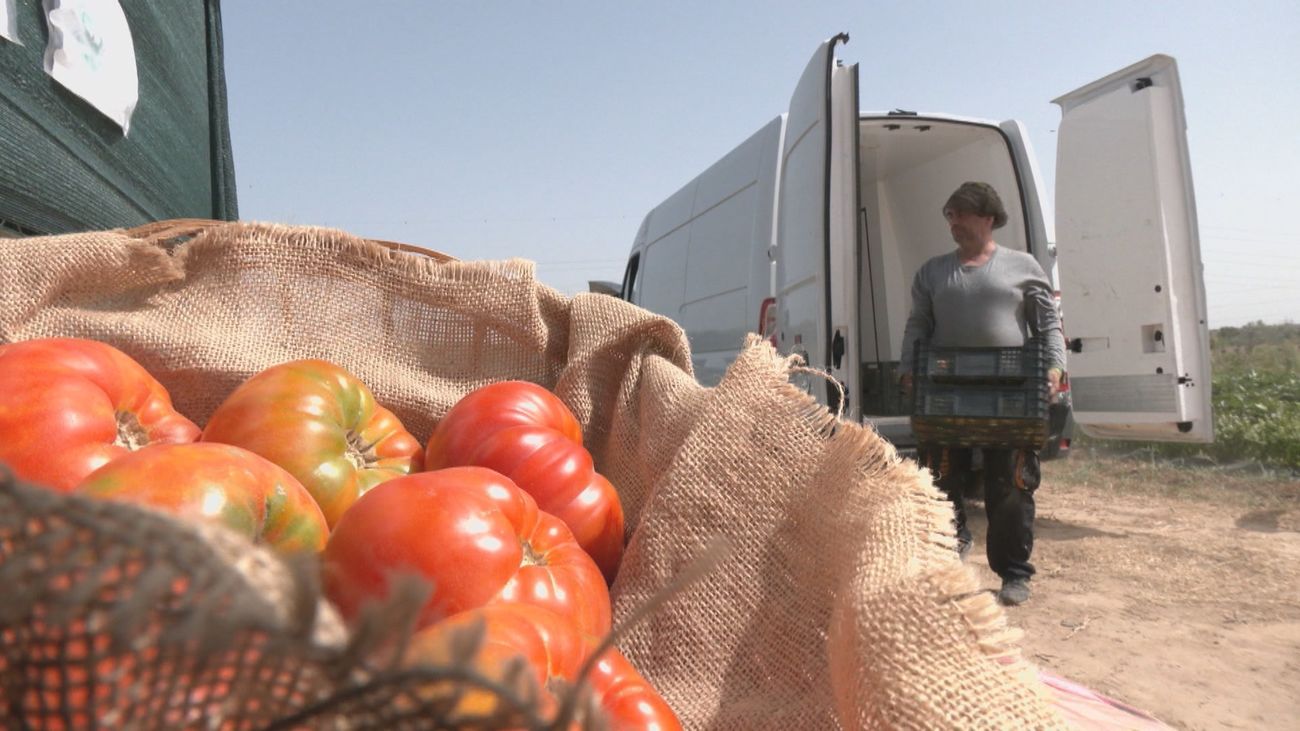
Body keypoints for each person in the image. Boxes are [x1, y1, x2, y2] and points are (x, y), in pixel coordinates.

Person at [898, 181, 1065, 606]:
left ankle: (1013, 573)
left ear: (987, 217)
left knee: (1009, 484)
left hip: (1009, 395)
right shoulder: (932, 272)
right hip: (945, 392)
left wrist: (1055, 368)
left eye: (961, 213)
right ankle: (952, 547)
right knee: (939, 479)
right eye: (949, 215)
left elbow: (1049, 328)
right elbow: (918, 325)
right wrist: (909, 369)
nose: (953, 222)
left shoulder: (1023, 266)